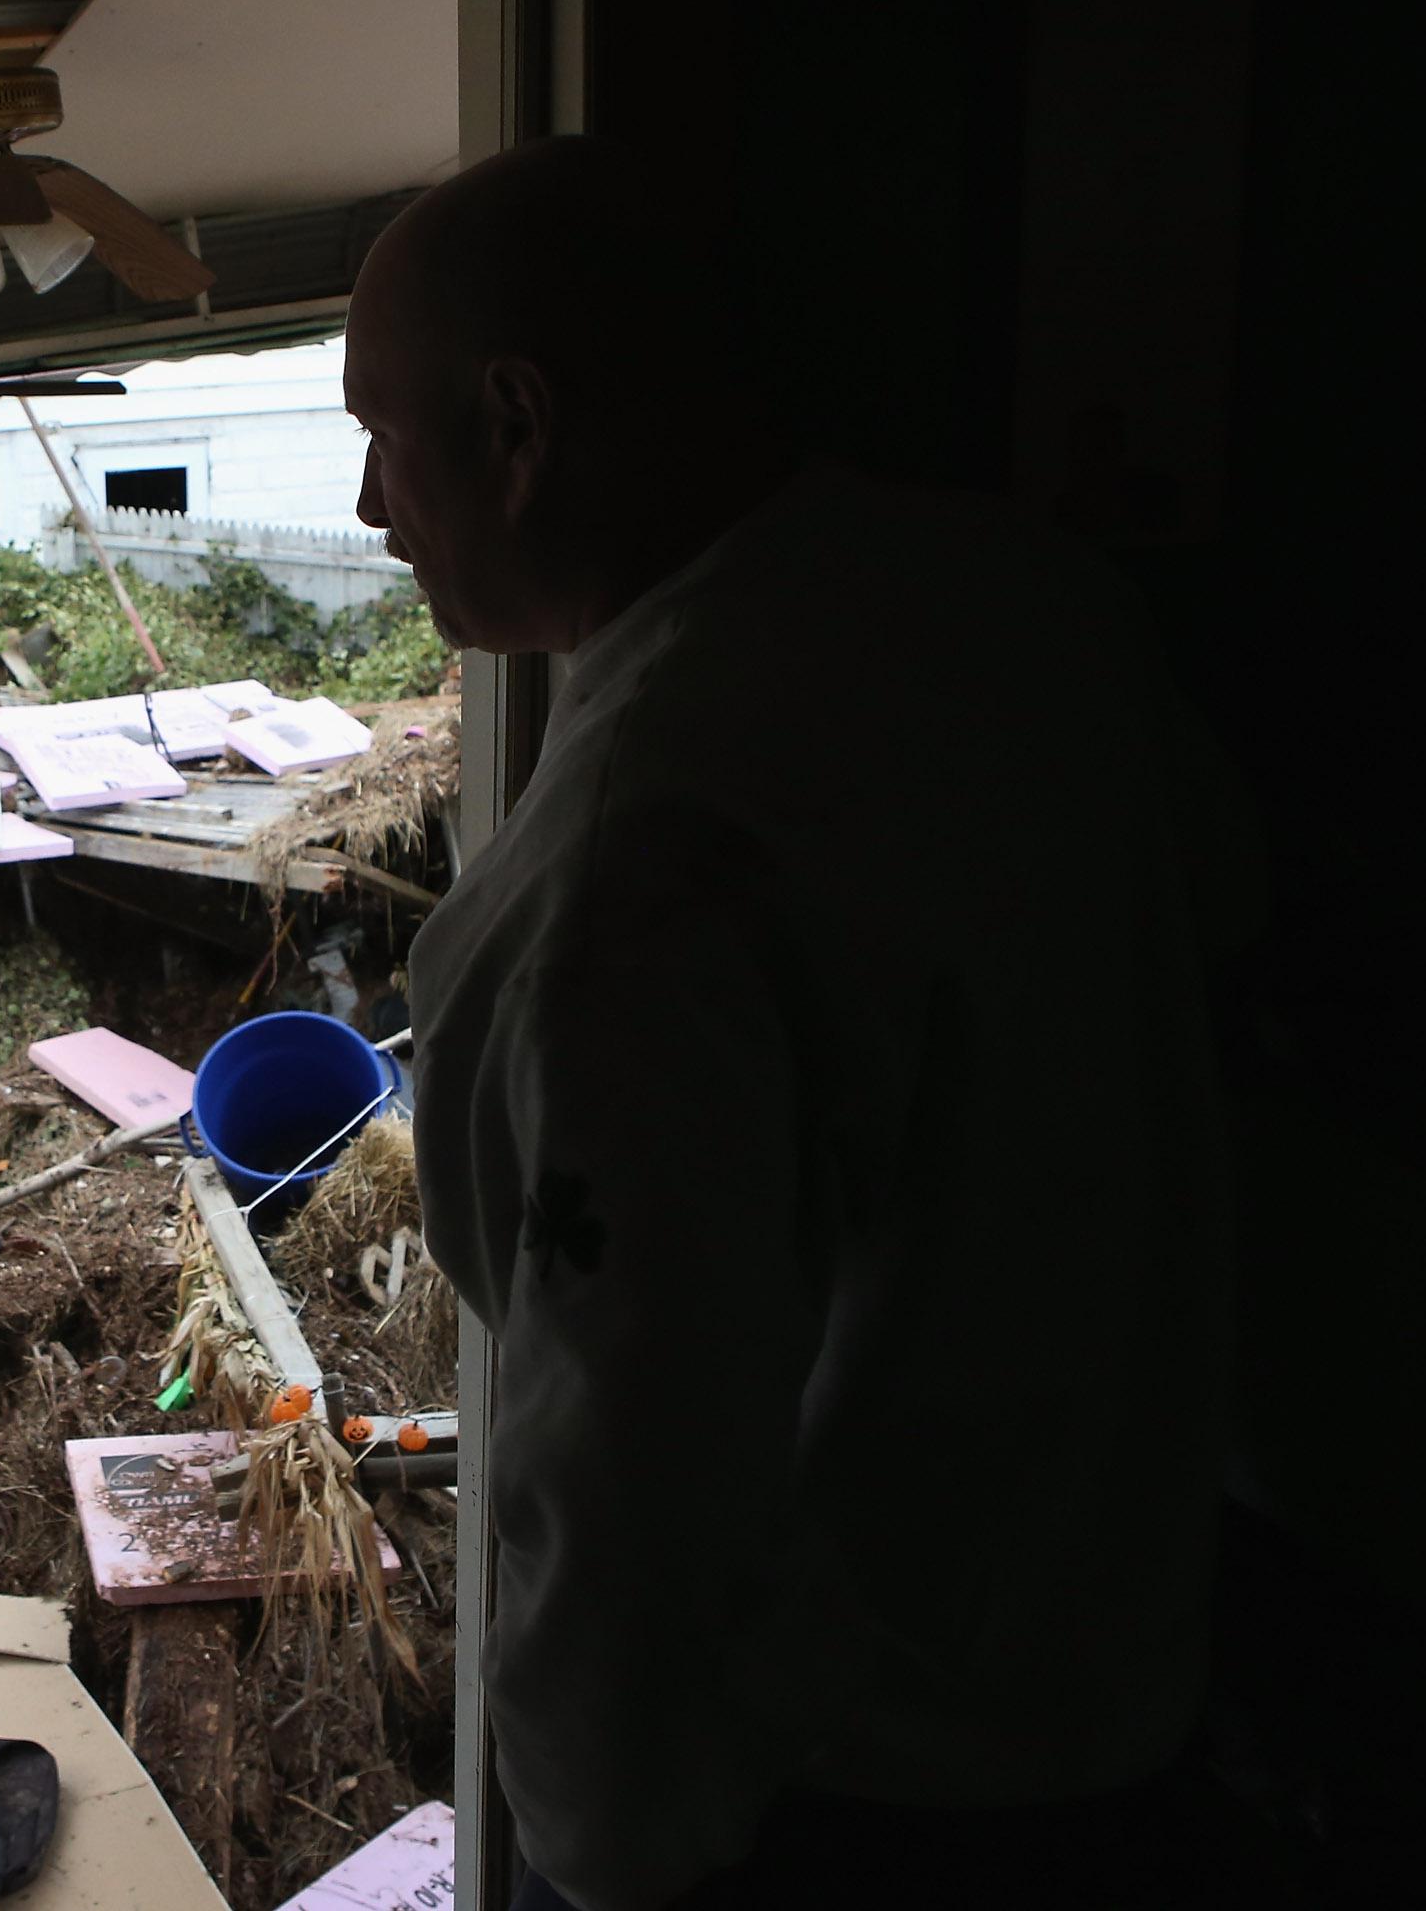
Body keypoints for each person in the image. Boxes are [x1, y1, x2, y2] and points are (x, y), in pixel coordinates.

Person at [352, 139, 1247, 1908]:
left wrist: (590, 1866)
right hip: (1146, 1684)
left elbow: (624, 1491)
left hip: (873, 1802)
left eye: (385, 434)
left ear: (518, 429)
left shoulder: (645, 866)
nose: (376, 504)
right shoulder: (1035, 613)